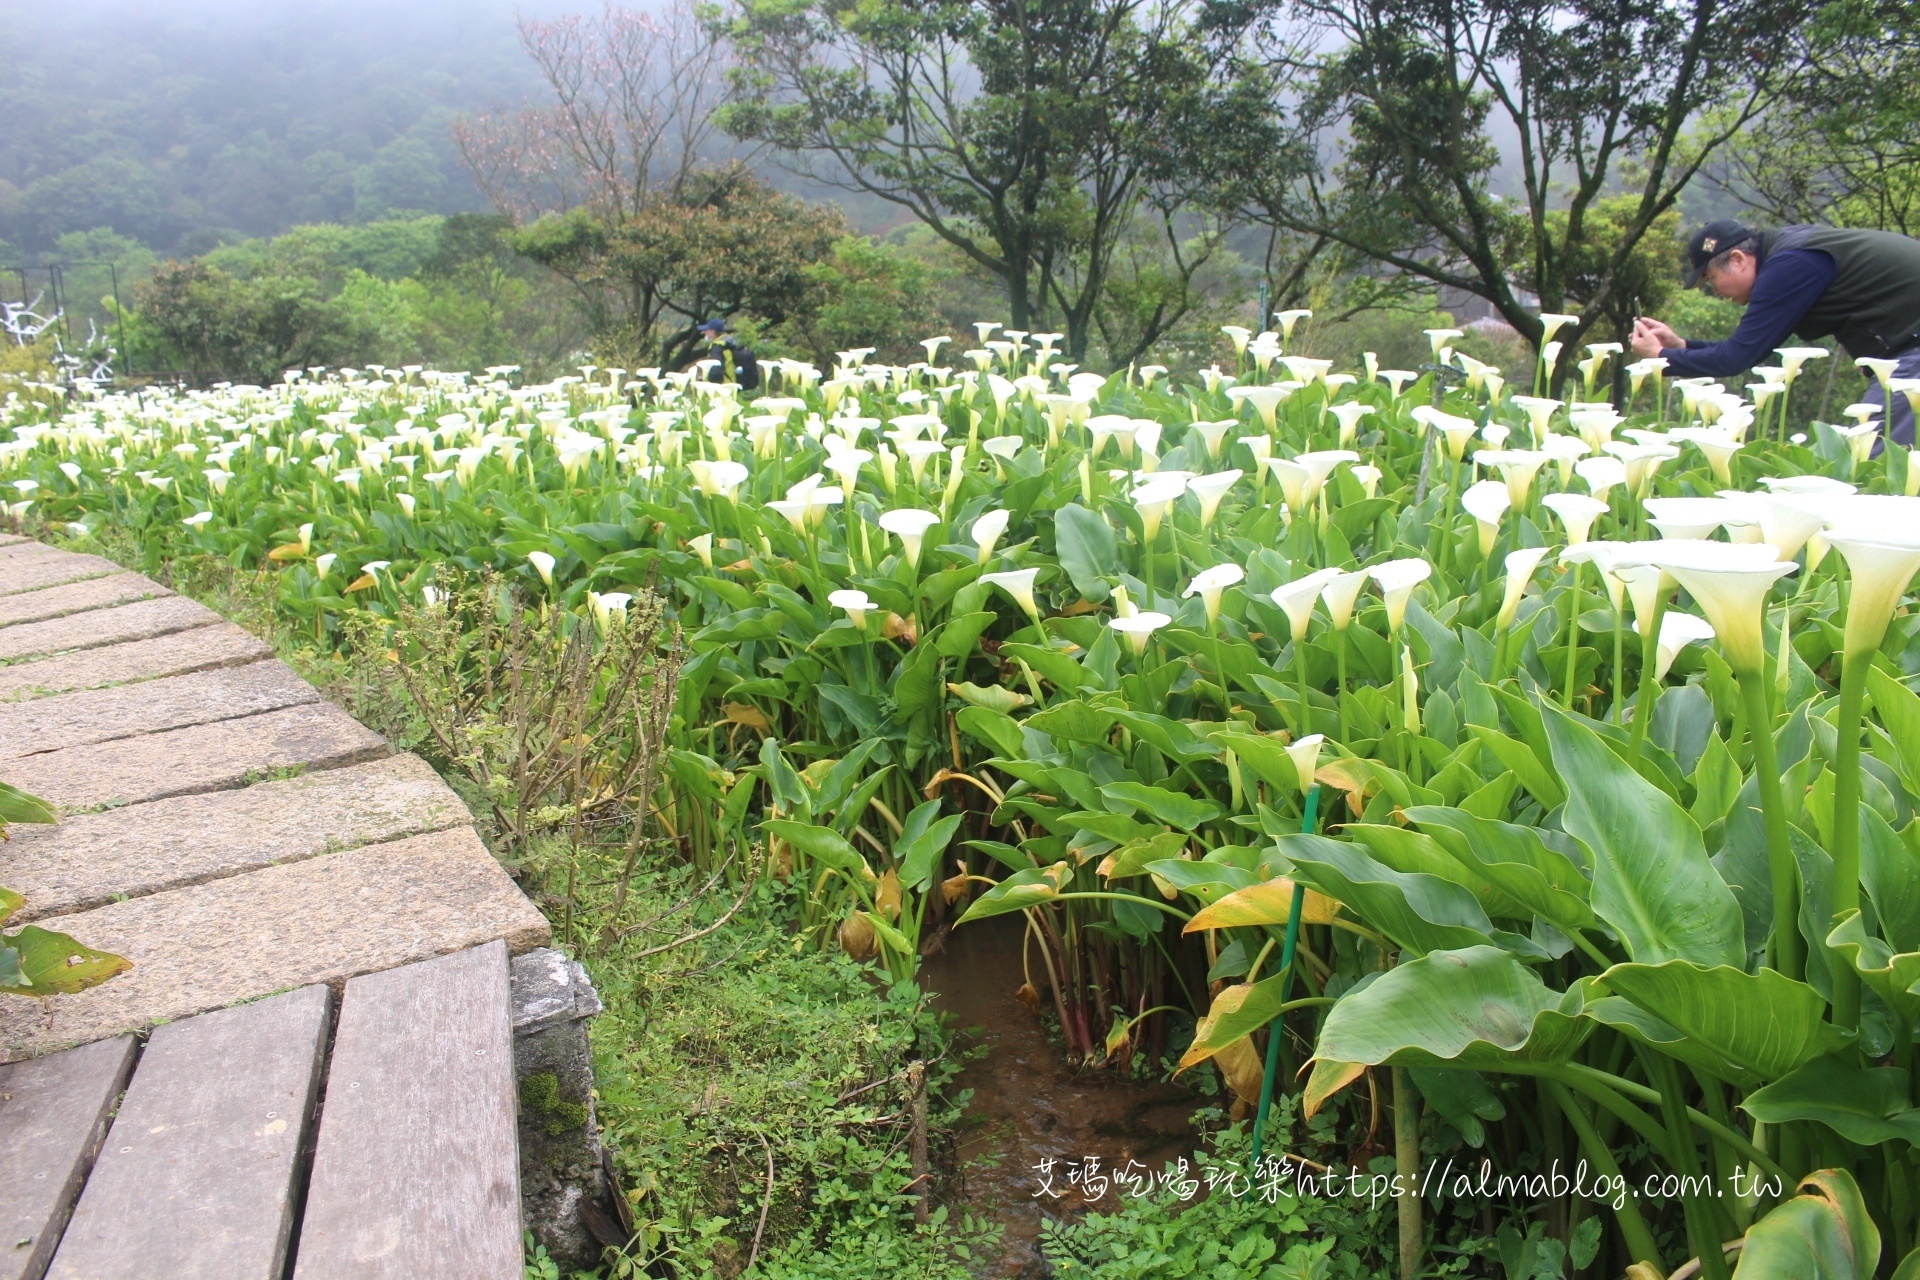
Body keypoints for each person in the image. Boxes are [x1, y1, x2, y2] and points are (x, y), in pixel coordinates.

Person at [1630, 219, 1920, 444]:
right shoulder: (1788, 253)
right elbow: (1744, 348)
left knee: (1872, 464)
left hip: (1911, 355)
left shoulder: (1789, 265)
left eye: (1710, 279)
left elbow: (1737, 358)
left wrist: (1660, 357)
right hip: (1907, 348)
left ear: (1738, 259)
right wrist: (1681, 347)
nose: (1715, 291)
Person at [695, 317, 760, 391]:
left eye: (706, 331)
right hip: (732, 386)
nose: (704, 333)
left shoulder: (717, 347)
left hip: (723, 389)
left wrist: (705, 380)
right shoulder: (729, 343)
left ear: (713, 332)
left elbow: (716, 373)